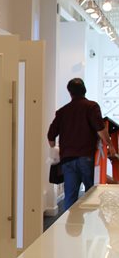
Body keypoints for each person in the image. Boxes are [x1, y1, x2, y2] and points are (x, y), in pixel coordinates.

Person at [47, 78, 116, 209]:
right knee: (92, 195)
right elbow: (100, 130)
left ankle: (69, 227)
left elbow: (50, 136)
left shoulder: (62, 112)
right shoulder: (92, 107)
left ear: (70, 93)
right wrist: (111, 146)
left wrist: (55, 149)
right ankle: (91, 226)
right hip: (86, 158)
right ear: (84, 90)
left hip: (67, 160)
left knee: (70, 197)